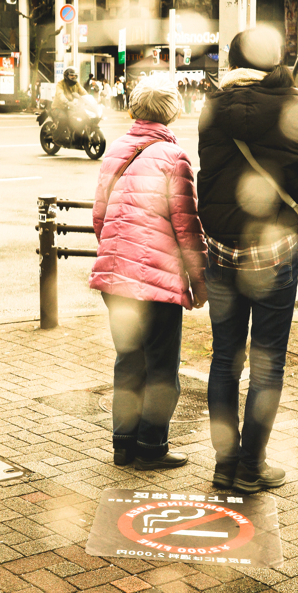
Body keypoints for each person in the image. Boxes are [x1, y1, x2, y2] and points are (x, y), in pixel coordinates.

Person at [197, 30, 298, 493]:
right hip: (272, 250)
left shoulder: (212, 107)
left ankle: (223, 464)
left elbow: (209, 171)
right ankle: (251, 467)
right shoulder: (293, 108)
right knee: (268, 362)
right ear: (277, 60)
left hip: (219, 247)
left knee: (223, 360)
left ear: (232, 60)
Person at [90, 75, 207, 471]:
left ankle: (123, 444)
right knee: (161, 366)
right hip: (156, 281)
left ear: (133, 110)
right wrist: (200, 280)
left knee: (127, 359)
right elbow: (187, 226)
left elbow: (100, 217)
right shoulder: (175, 158)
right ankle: (152, 447)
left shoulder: (116, 151)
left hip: (115, 277)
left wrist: (114, 256)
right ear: (173, 113)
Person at [52, 66, 86, 143]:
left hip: (71, 107)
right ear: (66, 76)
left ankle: (77, 135)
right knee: (64, 118)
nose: (73, 77)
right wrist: (66, 102)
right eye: (71, 75)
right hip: (59, 107)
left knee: (83, 116)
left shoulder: (76, 84)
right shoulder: (60, 84)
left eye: (75, 75)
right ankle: (56, 137)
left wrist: (92, 100)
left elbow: (84, 93)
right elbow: (60, 94)